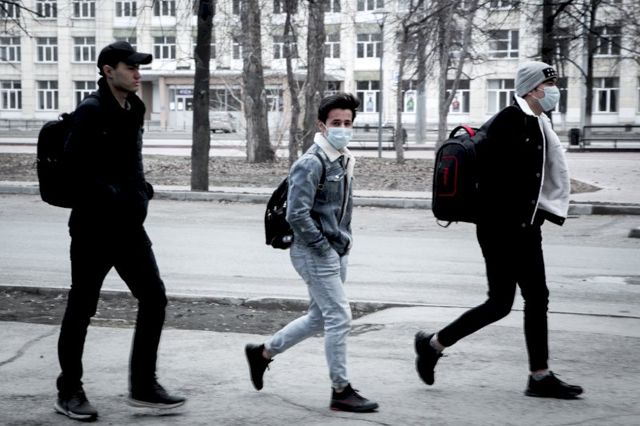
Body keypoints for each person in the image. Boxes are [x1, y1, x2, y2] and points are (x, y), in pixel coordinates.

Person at [415, 61, 583, 399]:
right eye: (550, 85)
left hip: (524, 226)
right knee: (504, 302)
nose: (554, 90)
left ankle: (536, 375)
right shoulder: (509, 121)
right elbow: (490, 180)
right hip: (502, 229)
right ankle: (434, 346)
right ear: (533, 89)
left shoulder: (537, 121)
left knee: (523, 299)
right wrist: (513, 219)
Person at [55, 41, 185, 421]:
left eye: (138, 67)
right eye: (130, 67)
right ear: (108, 71)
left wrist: (141, 191)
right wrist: (112, 194)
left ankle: (143, 385)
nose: (137, 73)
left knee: (154, 298)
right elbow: (71, 170)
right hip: (93, 229)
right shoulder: (91, 111)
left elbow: (131, 160)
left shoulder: (135, 108)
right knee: (82, 308)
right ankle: (69, 391)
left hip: (129, 227)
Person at [245, 93, 379, 413]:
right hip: (314, 252)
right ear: (322, 125)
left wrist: (342, 243)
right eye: (336, 123)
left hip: (336, 249)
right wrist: (323, 248)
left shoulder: (342, 158)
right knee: (339, 318)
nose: (342, 128)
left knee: (319, 317)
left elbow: (336, 210)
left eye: (347, 123)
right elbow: (296, 214)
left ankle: (262, 353)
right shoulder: (311, 162)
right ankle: (340, 390)